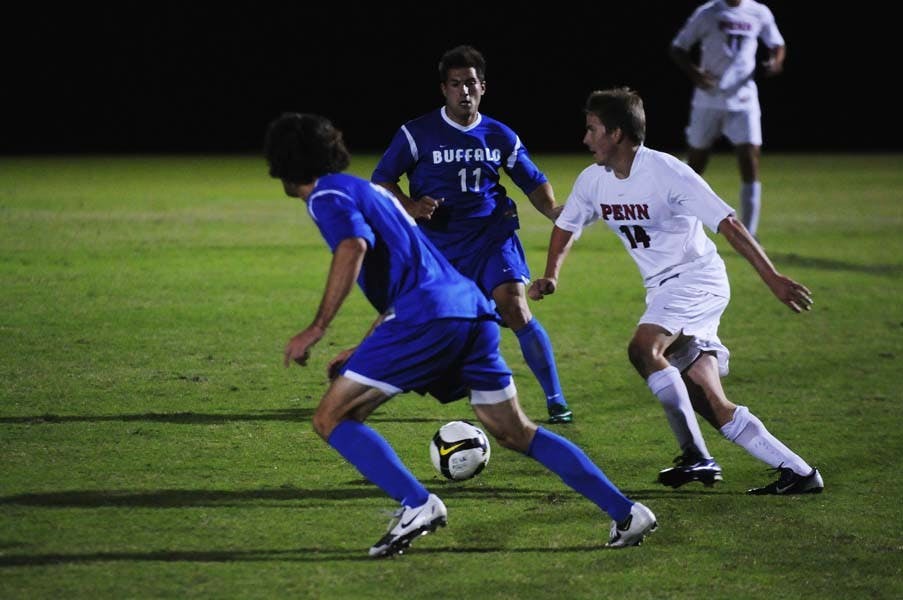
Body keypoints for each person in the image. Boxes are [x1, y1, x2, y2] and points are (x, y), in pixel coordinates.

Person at [264, 112, 657, 557]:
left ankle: (418, 504)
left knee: (331, 418)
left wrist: (317, 328)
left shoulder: (327, 194)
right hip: (470, 312)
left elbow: (353, 246)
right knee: (515, 431)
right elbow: (411, 272)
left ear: (282, 162)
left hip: (424, 319)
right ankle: (626, 511)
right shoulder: (369, 191)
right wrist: (365, 346)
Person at [529, 88, 823, 495]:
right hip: (663, 290)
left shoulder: (667, 172)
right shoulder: (593, 180)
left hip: (697, 280)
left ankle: (695, 455)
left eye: (592, 129)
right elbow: (566, 226)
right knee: (706, 400)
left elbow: (728, 223)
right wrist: (552, 275)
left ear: (616, 134)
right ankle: (800, 473)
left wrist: (772, 277)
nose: (585, 138)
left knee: (643, 348)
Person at [371, 45, 573, 424]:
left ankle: (556, 400)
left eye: (471, 83)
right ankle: (364, 380)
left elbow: (532, 181)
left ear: (483, 87)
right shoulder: (416, 133)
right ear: (443, 89)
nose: (464, 91)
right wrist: (410, 206)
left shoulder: (499, 134)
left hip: (491, 237)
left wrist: (552, 210)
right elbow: (381, 179)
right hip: (439, 246)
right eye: (455, 84)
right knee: (418, 320)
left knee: (514, 305)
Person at [670, 0, 786, 238]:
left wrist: (776, 61)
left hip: (743, 100)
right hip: (708, 99)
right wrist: (695, 74)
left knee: (750, 160)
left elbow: (777, 44)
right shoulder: (708, 12)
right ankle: (674, 219)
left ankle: (750, 234)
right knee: (696, 165)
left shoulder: (759, 12)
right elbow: (678, 48)